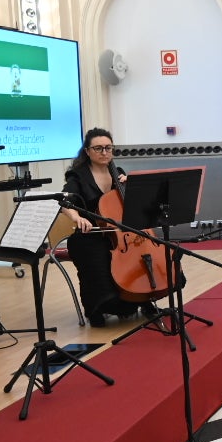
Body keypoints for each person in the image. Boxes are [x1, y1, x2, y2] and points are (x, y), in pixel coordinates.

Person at [62, 128, 144, 326]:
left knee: (143, 252)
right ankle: (97, 308)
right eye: (98, 148)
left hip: (119, 233)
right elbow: (65, 203)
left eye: (108, 148)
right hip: (90, 234)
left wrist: (132, 188)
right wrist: (77, 218)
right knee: (95, 256)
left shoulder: (119, 173)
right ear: (87, 151)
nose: (104, 152)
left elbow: (131, 207)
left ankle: (144, 296)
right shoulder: (78, 176)